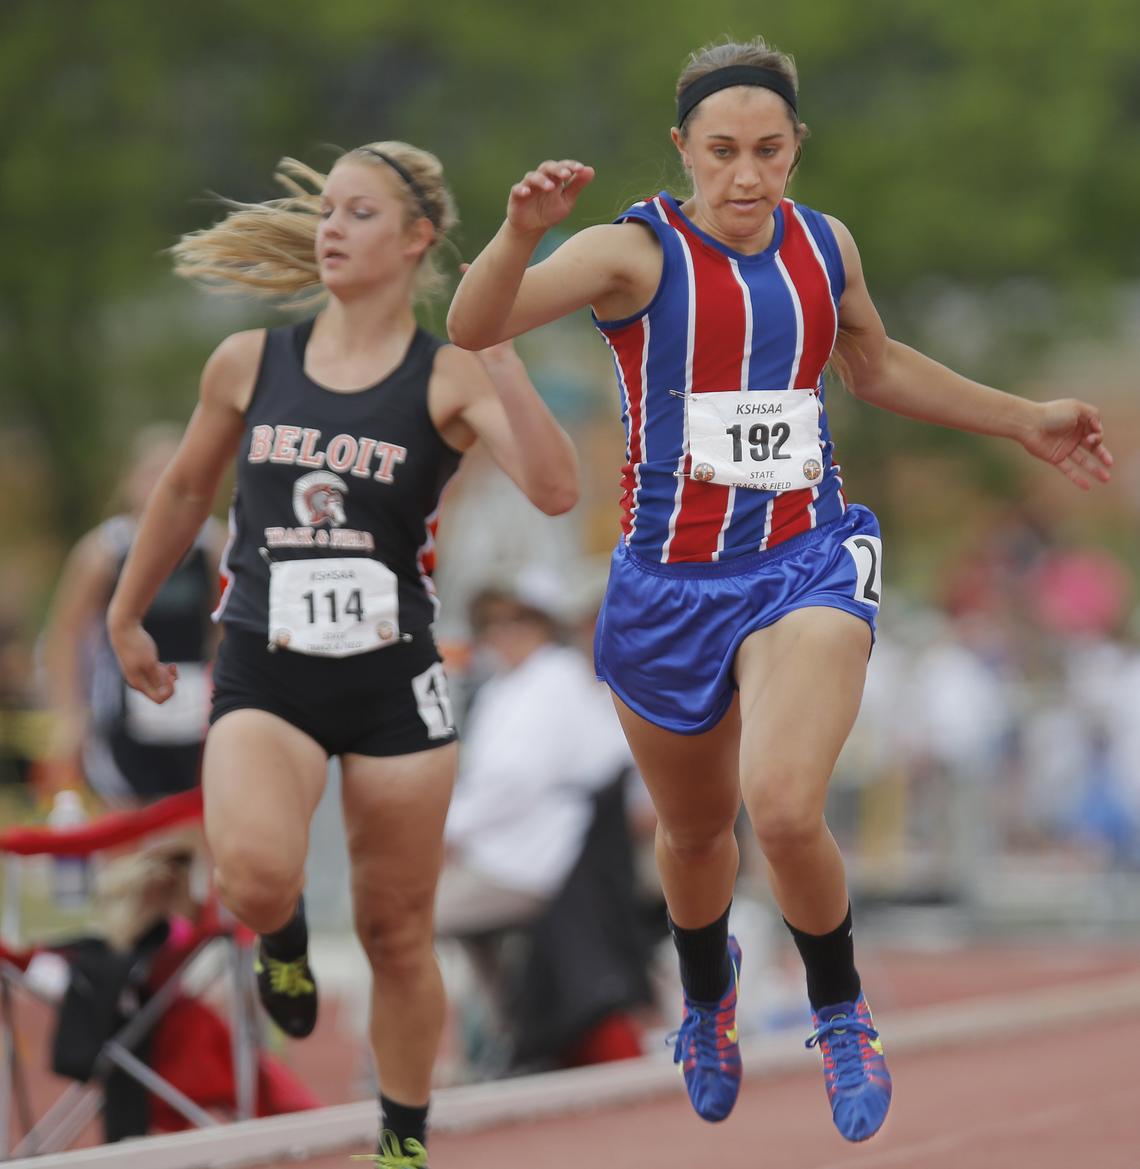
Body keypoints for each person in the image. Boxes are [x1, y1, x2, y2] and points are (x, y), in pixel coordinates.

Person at [447, 36, 1113, 1142]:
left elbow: (877, 365)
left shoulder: (824, 244)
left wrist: (1024, 415)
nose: (746, 176)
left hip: (803, 558)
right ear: (683, 151)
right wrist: (521, 232)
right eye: (722, 152)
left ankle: (841, 1013)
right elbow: (472, 326)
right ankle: (706, 996)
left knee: (786, 803)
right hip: (667, 585)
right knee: (695, 834)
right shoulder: (633, 254)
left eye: (768, 150)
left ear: (798, 147)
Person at [106, 141, 578, 1167]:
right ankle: (278, 941)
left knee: (397, 928)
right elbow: (187, 491)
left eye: (358, 213)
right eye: (325, 209)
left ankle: (401, 1141)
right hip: (266, 665)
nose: (329, 228)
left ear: (417, 240)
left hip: (393, 679)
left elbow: (554, 487)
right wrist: (127, 610)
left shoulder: (447, 374)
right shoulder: (249, 362)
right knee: (254, 873)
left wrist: (496, 341)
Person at [435, 574, 648, 1073]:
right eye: (493, 624)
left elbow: (515, 782)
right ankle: (503, 1030)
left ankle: (431, 1057)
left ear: (541, 626)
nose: (502, 634)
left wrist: (446, 833)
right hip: (525, 851)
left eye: (516, 621)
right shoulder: (520, 685)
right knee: (440, 922)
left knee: (403, 918)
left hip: (535, 860)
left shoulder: (548, 684)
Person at [40, 426, 224, 808]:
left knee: (194, 824)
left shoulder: (214, 546)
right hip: (121, 719)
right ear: (129, 482)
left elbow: (226, 629)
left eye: (171, 471)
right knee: (129, 834)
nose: (160, 483)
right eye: (150, 472)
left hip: (194, 714)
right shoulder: (101, 553)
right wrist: (69, 717)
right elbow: (65, 636)